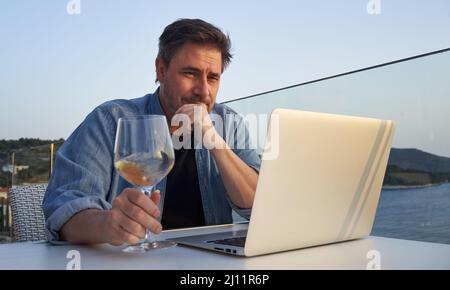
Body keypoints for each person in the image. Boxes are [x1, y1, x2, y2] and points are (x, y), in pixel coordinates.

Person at [43, 18, 261, 245]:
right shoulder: (111, 120)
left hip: (210, 261)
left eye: (213, 78)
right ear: (161, 69)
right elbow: (63, 207)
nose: (203, 91)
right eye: (190, 73)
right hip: (128, 261)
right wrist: (107, 224)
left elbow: (260, 206)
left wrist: (214, 141)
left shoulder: (228, 122)